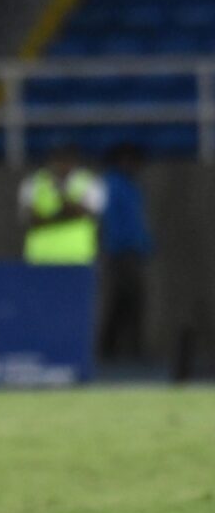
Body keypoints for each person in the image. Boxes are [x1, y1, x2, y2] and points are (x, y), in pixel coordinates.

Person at [98, 144, 152, 362]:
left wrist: (146, 245)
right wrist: (125, 245)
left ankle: (120, 348)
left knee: (129, 301)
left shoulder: (130, 186)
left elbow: (138, 222)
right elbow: (115, 223)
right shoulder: (113, 185)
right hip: (121, 252)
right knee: (125, 300)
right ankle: (114, 349)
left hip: (132, 251)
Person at [19, 145, 106, 265]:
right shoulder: (33, 182)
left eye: (66, 159)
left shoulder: (89, 182)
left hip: (78, 256)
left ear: (74, 161)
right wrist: (66, 215)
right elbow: (32, 219)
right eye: (58, 159)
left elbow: (85, 214)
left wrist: (60, 194)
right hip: (41, 257)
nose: (62, 164)